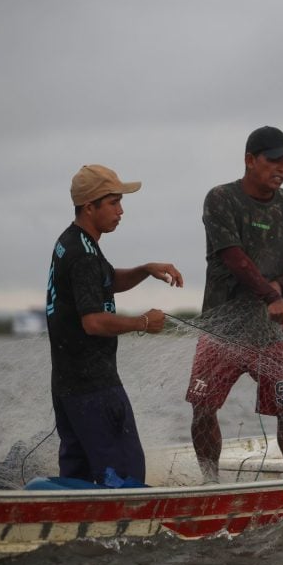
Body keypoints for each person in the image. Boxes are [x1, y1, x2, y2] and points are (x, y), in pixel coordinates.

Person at [186, 126, 283, 481]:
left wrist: (281, 285)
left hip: (273, 332)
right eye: (274, 159)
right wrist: (272, 295)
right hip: (221, 329)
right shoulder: (220, 199)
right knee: (203, 407)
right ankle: (210, 483)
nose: (282, 167)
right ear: (249, 160)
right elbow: (233, 257)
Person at [46, 164, 184, 485]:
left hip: (68, 385)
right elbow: (93, 322)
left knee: (77, 479)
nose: (121, 211)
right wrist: (144, 322)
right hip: (94, 387)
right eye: (113, 203)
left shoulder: (75, 243)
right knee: (126, 476)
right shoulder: (82, 254)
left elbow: (106, 281)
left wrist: (146, 269)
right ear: (89, 207)